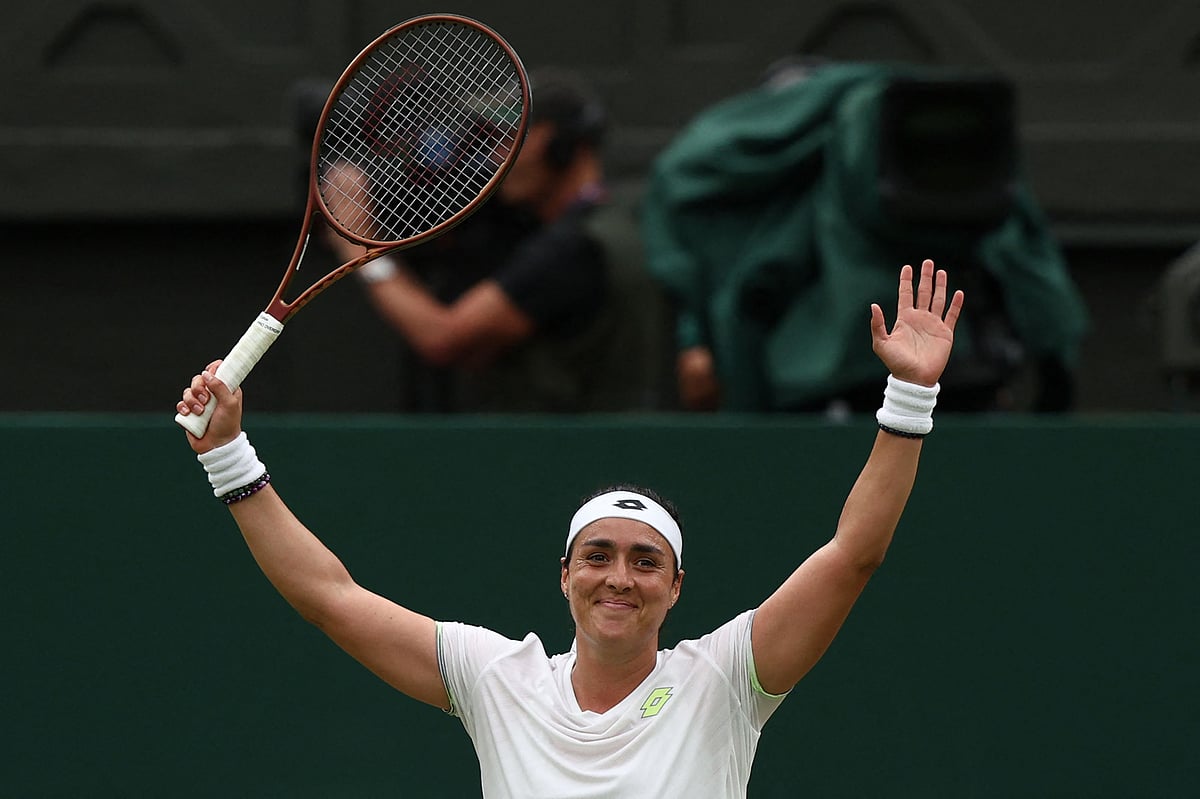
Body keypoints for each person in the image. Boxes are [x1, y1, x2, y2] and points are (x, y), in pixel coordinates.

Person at [176, 259, 962, 797]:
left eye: (646, 561)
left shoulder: (725, 681)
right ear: (564, 573)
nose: (620, 576)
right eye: (599, 555)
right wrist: (229, 457)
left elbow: (853, 553)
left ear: (675, 586)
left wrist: (909, 400)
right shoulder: (497, 679)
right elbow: (330, 597)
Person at [324, 69, 646, 412]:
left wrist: (360, 247)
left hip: (567, 451)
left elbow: (443, 339)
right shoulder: (614, 219)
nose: (495, 158)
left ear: (552, 142)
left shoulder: (570, 248)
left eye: (507, 139)